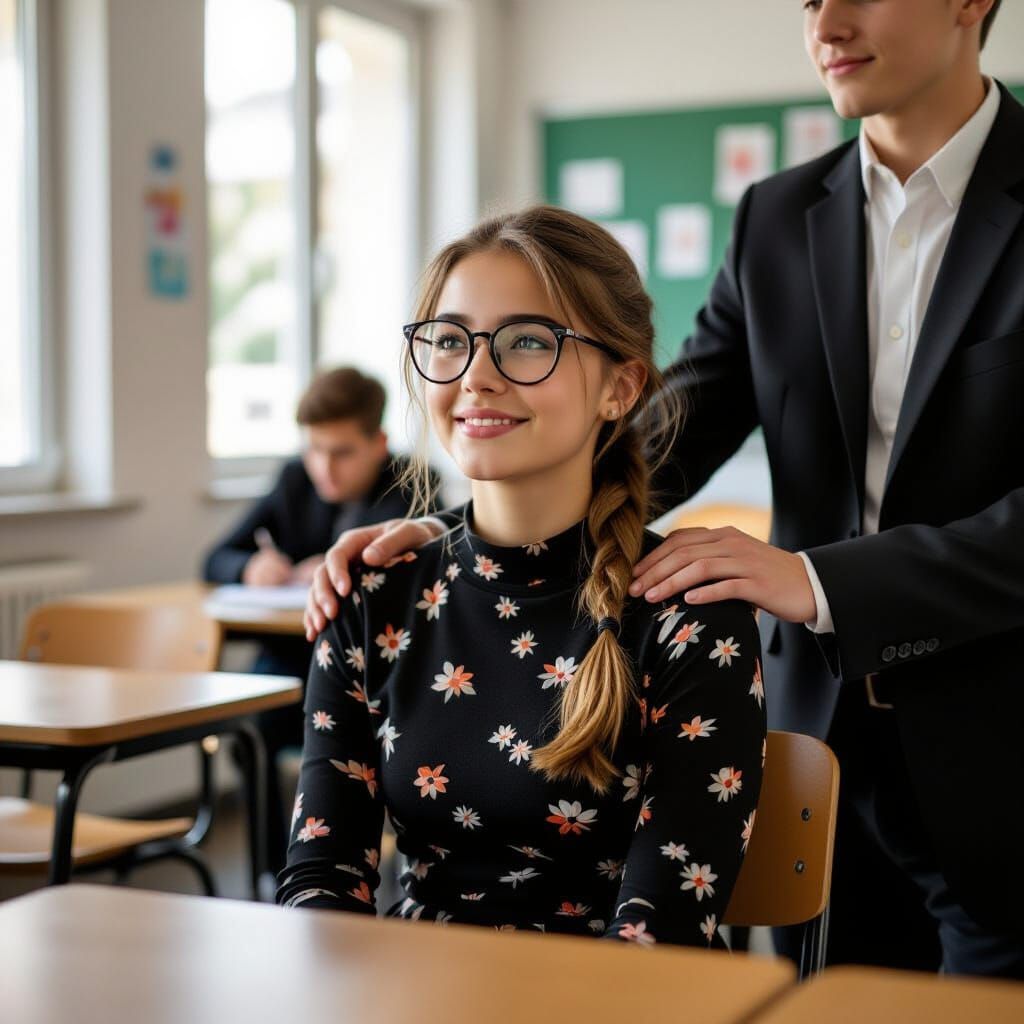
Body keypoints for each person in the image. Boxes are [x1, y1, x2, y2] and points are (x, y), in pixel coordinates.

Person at [305, 0, 1024, 978]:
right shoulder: (776, 216)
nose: (826, 20)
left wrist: (814, 581)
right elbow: (649, 428)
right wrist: (451, 545)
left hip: (996, 730)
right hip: (816, 720)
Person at [276, 206, 765, 947]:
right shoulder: (372, 595)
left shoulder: (686, 611)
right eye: (449, 341)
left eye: (528, 341)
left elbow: (660, 932)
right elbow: (321, 884)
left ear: (621, 388)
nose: (477, 375)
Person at [204, 365, 432, 870]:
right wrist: (252, 565)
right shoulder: (292, 480)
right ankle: (274, 872)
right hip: (291, 660)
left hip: (378, 670)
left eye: (342, 452)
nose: (324, 467)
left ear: (379, 442)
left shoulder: (415, 484)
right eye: (314, 449)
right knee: (252, 723)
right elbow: (215, 557)